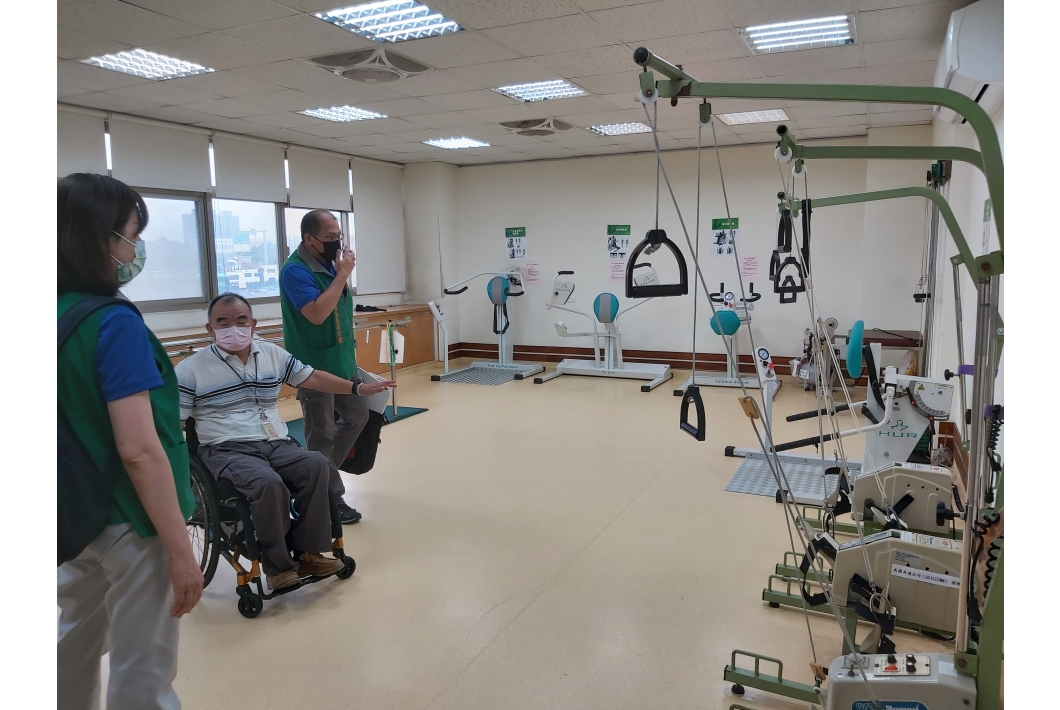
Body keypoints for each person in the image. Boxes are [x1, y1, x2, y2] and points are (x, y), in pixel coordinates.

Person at [58, 173, 202, 710]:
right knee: (144, 663)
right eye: (131, 237)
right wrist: (179, 549)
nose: (134, 250)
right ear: (98, 240)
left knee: (74, 639)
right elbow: (138, 449)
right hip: (132, 517)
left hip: (70, 510)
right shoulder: (113, 324)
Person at [176, 294, 394, 590]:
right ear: (210, 328)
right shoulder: (190, 369)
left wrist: (357, 388)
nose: (233, 328)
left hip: (275, 441)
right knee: (268, 483)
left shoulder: (271, 353)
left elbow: (312, 378)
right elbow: (174, 421)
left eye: (241, 320)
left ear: (253, 324)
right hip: (226, 448)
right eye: (222, 322)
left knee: (317, 464)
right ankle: (278, 567)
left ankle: (309, 553)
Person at [280, 209, 368, 524]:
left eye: (338, 237)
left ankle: (315, 476)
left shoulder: (330, 265)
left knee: (358, 417)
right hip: (314, 367)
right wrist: (343, 275)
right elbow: (316, 314)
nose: (336, 243)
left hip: (342, 361)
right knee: (320, 435)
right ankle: (329, 497)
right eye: (330, 237)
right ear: (309, 239)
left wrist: (340, 273)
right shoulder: (295, 270)